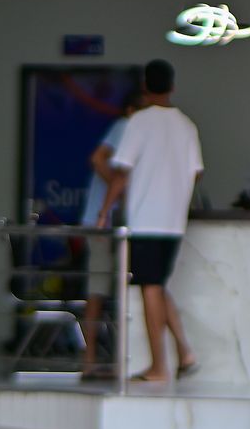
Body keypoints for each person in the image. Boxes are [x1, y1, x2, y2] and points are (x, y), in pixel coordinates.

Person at [102, 60, 202, 384]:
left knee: (151, 287)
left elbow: (121, 172)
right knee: (155, 286)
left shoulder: (140, 122)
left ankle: (160, 366)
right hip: (174, 222)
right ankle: (184, 353)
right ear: (172, 86)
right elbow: (196, 172)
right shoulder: (187, 125)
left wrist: (105, 210)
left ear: (145, 87)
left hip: (145, 219)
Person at [81, 90, 142, 377]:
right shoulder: (125, 127)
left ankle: (111, 359)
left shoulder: (135, 132)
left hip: (115, 223)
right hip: (103, 223)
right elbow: (97, 159)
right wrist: (120, 188)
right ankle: (90, 359)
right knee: (98, 289)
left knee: (113, 290)